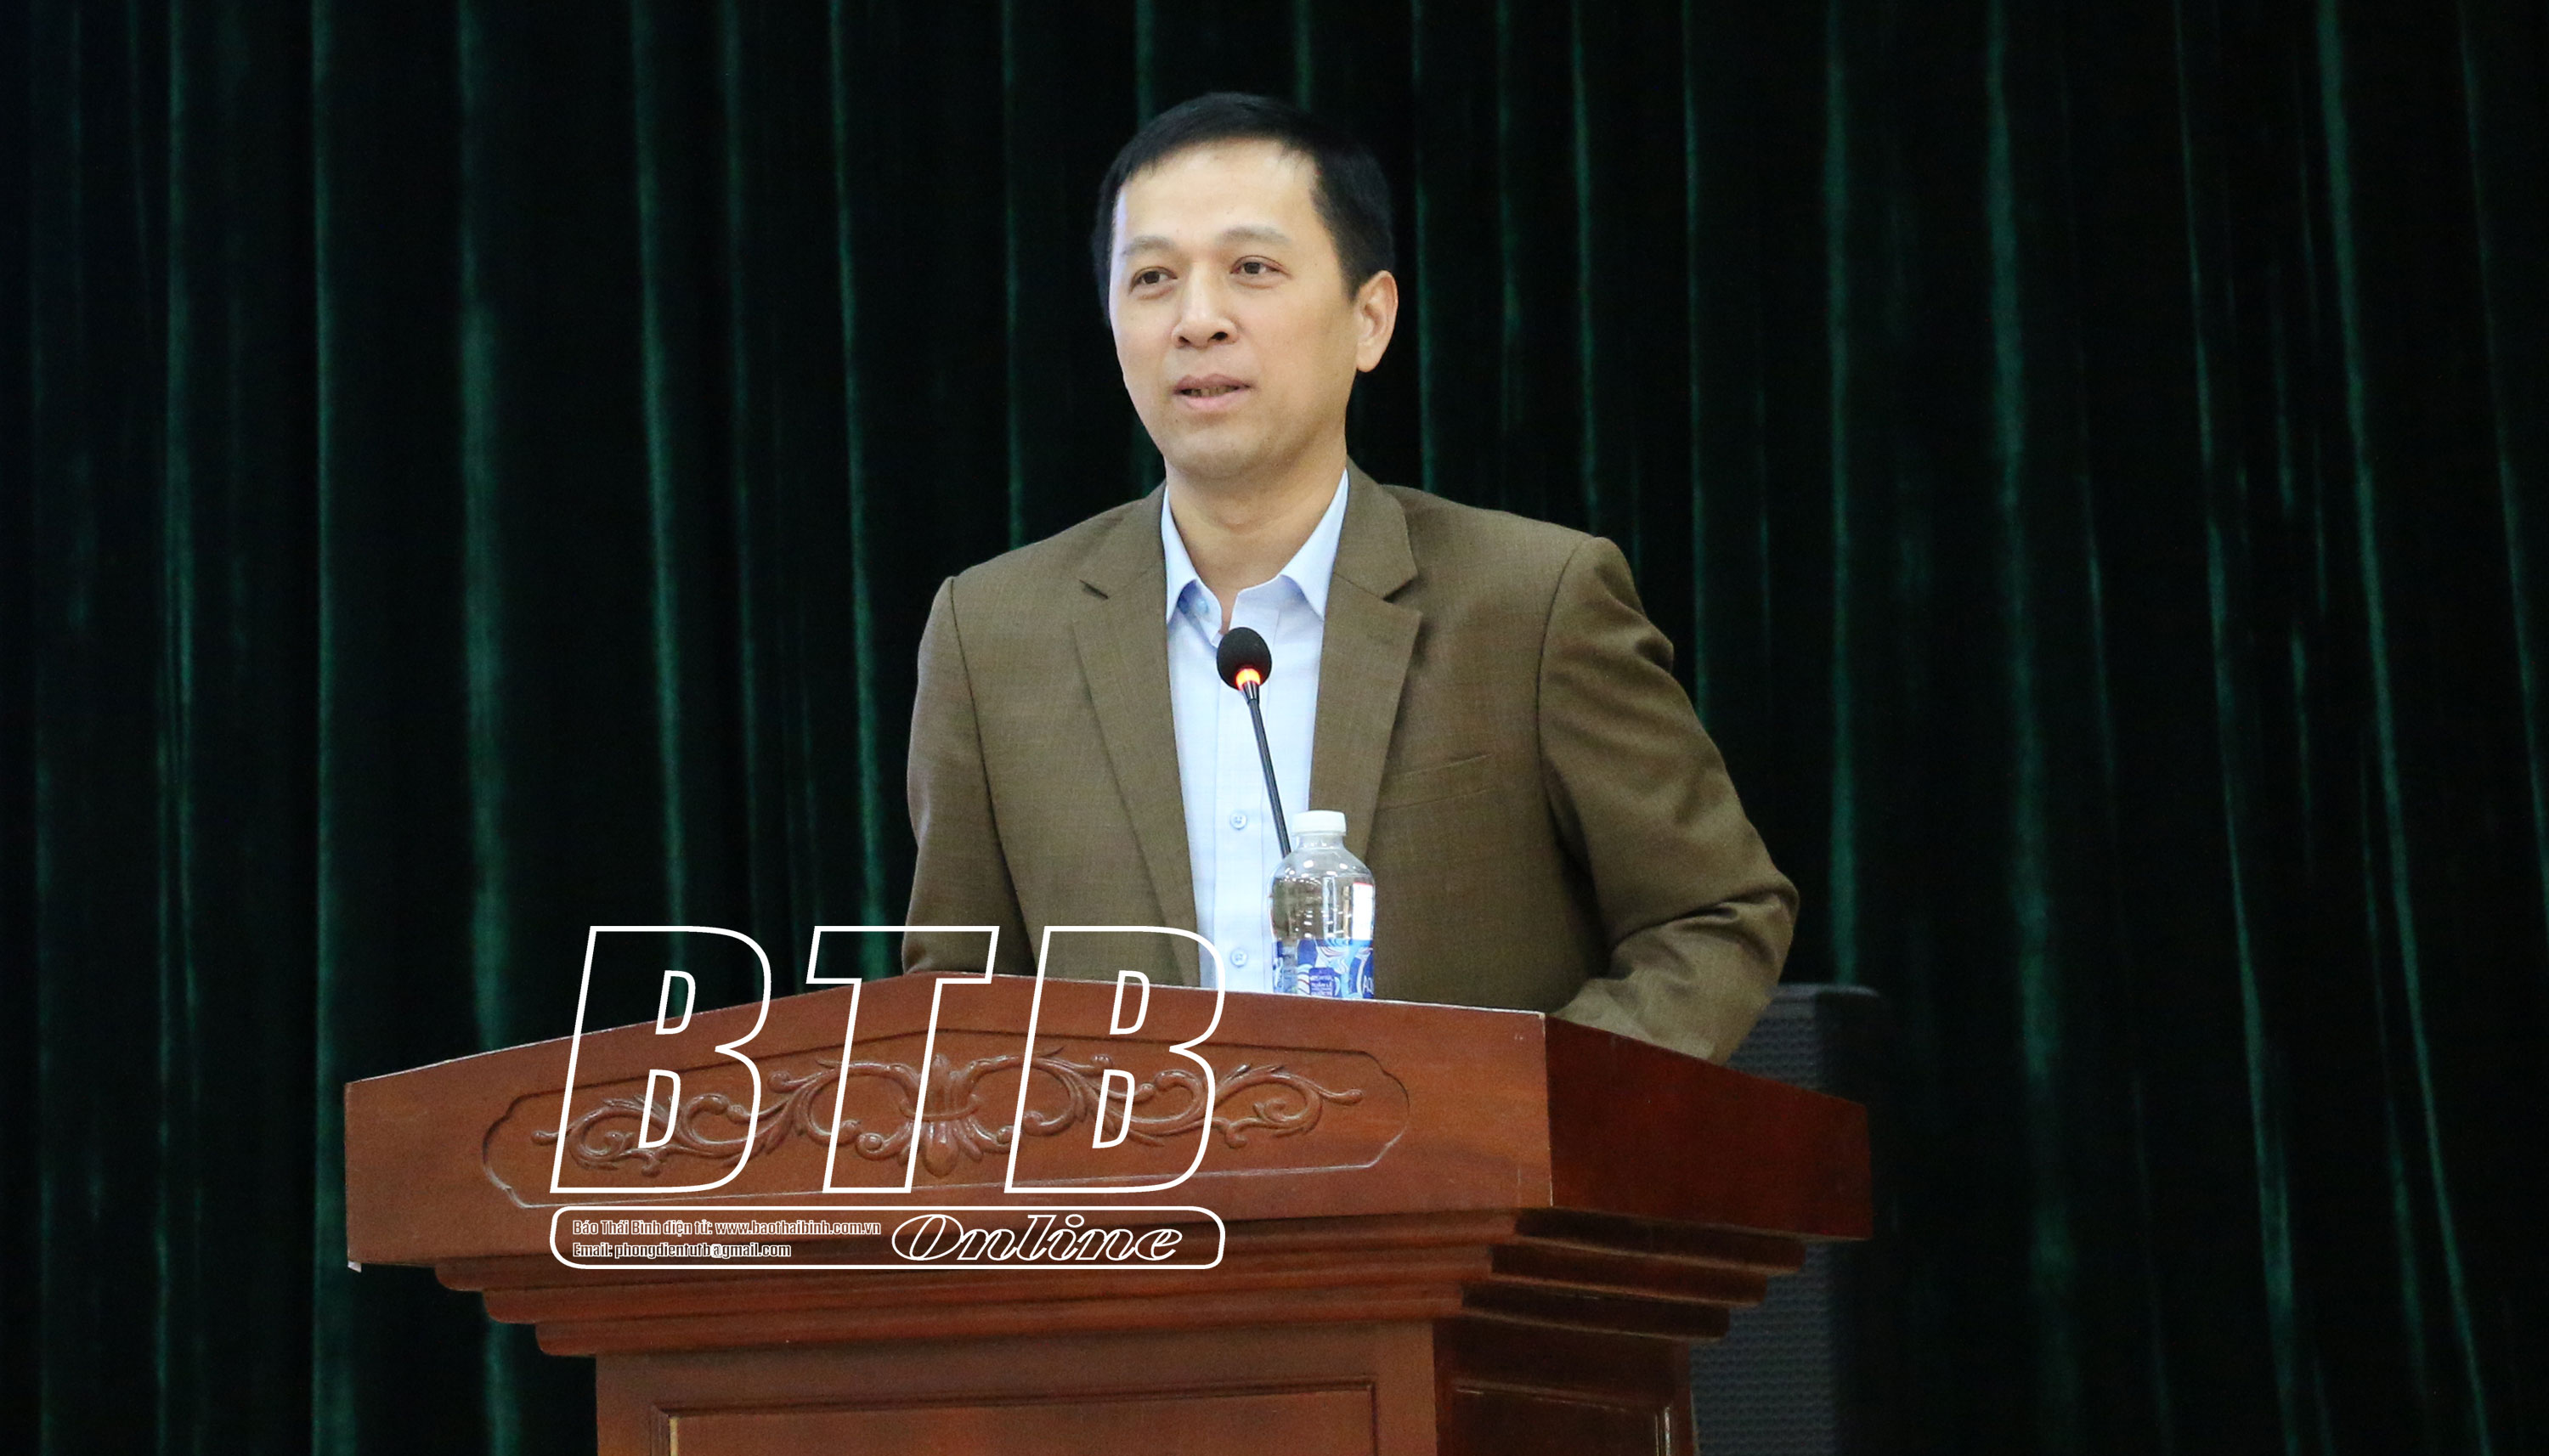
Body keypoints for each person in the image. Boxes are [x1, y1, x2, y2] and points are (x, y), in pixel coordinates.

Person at [901, 93, 1794, 1062]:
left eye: (1252, 269)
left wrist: (1525, 1111)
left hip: (1460, 1164)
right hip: (1132, 1163)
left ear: (1370, 319)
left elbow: (1712, 917)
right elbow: (956, 997)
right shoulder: (992, 633)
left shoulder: (1532, 602)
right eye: (1152, 278)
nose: (1198, 320)